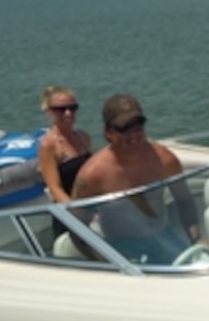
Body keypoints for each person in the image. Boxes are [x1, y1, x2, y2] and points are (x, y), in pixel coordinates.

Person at [71, 93, 200, 261]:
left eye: (138, 126)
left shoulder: (165, 159)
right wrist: (106, 263)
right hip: (120, 247)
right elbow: (76, 228)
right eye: (124, 129)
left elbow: (184, 200)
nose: (134, 135)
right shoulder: (92, 176)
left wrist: (197, 240)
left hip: (163, 236)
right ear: (108, 132)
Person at [37, 85, 92, 203]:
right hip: (68, 212)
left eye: (72, 108)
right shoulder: (49, 145)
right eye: (61, 109)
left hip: (90, 205)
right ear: (49, 112)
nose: (68, 113)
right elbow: (55, 189)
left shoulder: (83, 137)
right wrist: (77, 211)